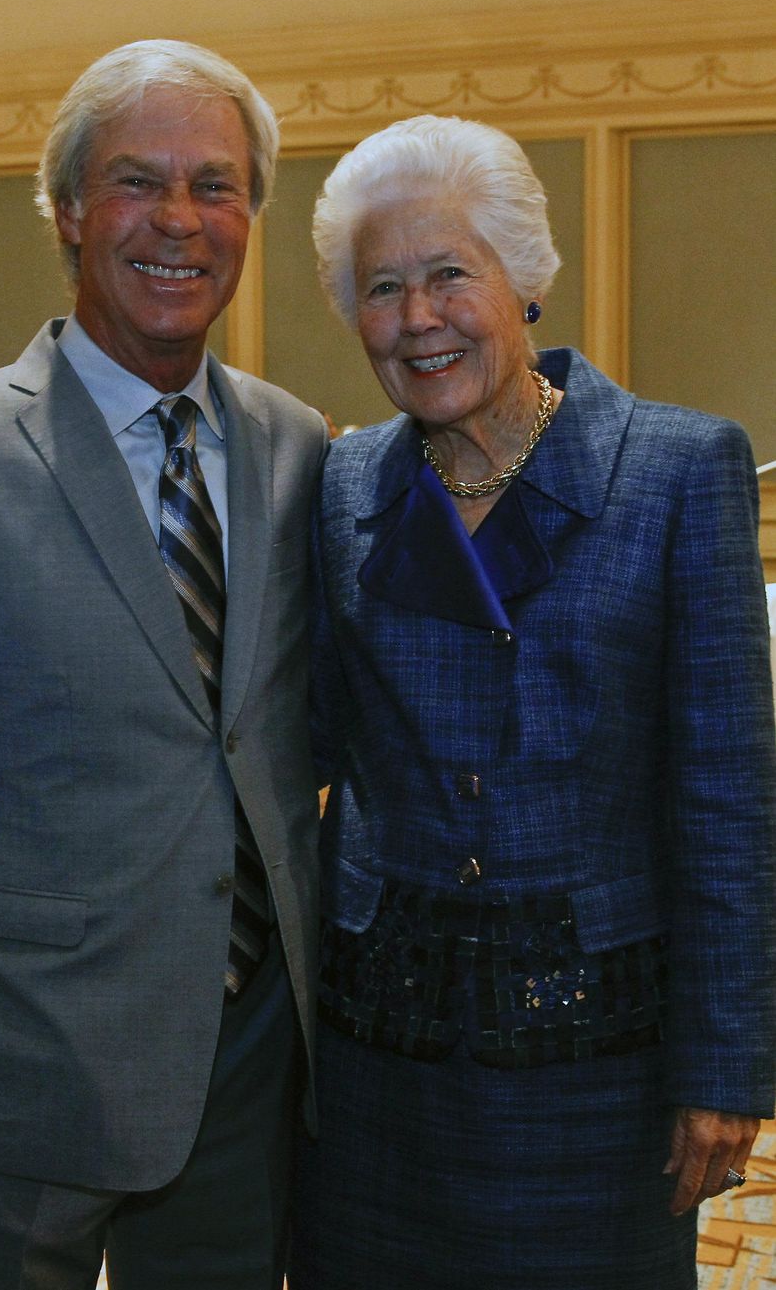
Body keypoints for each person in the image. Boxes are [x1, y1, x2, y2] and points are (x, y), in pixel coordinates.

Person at [0, 39, 327, 1290]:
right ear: (64, 209)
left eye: (214, 186)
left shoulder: (297, 448)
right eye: (134, 181)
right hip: (18, 1078)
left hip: (249, 1063)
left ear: (251, 216)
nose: (178, 219)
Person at [287, 114, 776, 1290]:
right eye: (381, 288)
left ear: (524, 281)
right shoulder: (342, 482)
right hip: (376, 1062)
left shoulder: (675, 470)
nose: (417, 317)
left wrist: (723, 1069)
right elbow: (302, 739)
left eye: (449, 274)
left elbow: (727, 801)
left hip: (591, 1062)